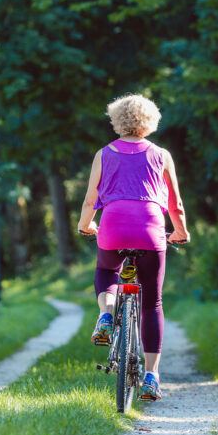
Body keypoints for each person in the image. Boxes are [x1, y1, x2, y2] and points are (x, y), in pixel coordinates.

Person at [77, 94, 189, 401]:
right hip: (151, 229)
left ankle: (106, 314)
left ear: (116, 120)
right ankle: (151, 376)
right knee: (152, 301)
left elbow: (90, 199)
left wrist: (85, 225)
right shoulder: (162, 155)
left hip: (113, 225)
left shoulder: (104, 153)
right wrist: (180, 232)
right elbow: (175, 204)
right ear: (150, 120)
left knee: (105, 269)